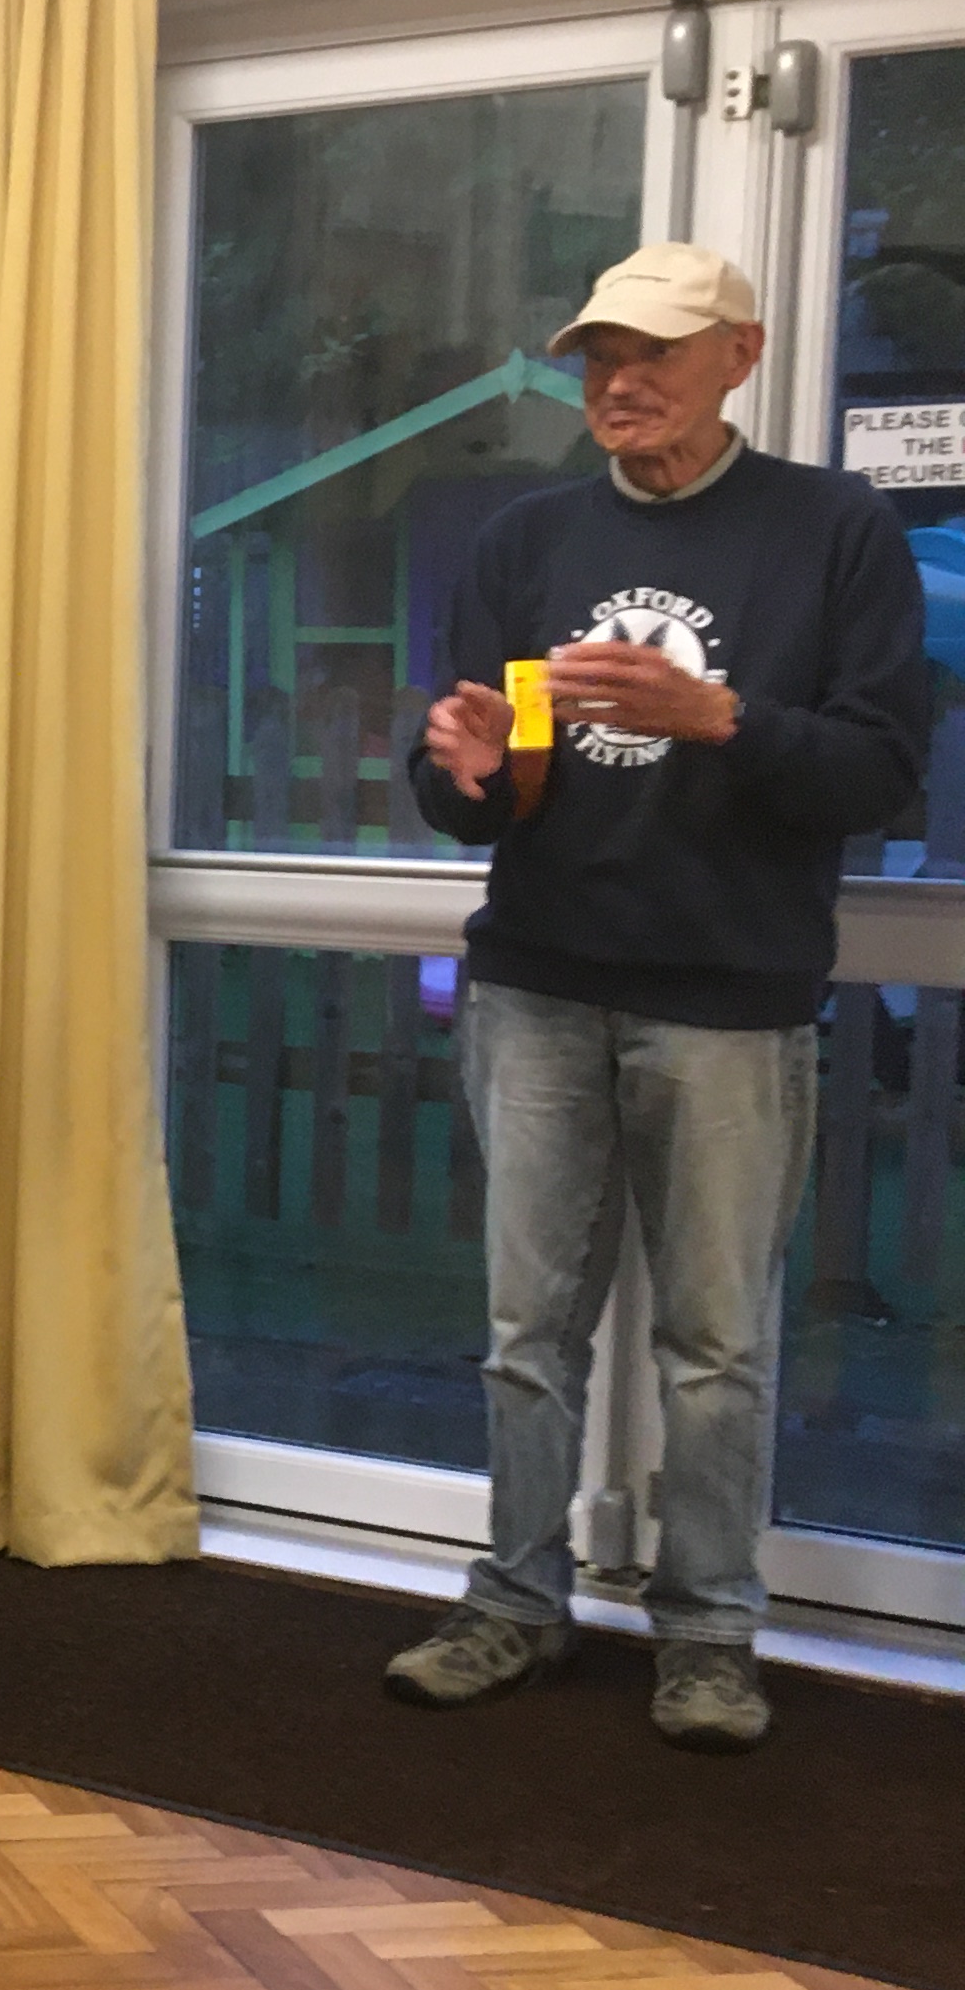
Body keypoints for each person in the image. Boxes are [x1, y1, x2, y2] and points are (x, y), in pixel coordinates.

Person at [390, 241, 926, 1753]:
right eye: (601, 358)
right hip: (539, 985)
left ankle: (706, 1636)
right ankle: (514, 1602)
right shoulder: (527, 538)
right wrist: (464, 772)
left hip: (732, 999)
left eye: (656, 356)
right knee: (526, 1336)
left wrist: (721, 716)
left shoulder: (835, 530)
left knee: (716, 1351)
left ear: (738, 357)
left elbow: (883, 771)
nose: (621, 384)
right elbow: (479, 790)